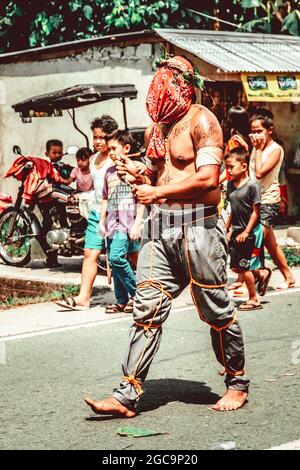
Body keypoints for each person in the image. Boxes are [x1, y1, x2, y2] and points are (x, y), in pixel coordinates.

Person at [84, 55, 249, 416]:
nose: (160, 87)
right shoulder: (154, 129)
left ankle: (236, 382)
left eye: (168, 79)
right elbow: (164, 177)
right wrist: (141, 173)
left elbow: (208, 181)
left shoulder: (203, 121)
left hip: (199, 228)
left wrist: (157, 193)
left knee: (216, 309)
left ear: (185, 84)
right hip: (161, 230)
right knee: (146, 309)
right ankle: (127, 395)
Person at [55, 115, 118, 310]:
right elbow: (93, 186)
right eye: (95, 137)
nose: (98, 141)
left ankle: (141, 292)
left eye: (103, 137)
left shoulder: (116, 158)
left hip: (116, 215)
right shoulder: (93, 159)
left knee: (125, 257)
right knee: (89, 253)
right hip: (96, 213)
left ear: (112, 136)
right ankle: (83, 298)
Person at [249, 110, 295, 291]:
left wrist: (258, 150)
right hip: (254, 201)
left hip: (268, 201)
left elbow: (260, 173)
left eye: (259, 130)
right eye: (253, 131)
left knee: (253, 241)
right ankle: (288, 276)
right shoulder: (256, 147)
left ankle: (253, 279)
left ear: (269, 130)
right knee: (271, 244)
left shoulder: (275, 150)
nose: (255, 135)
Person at [101, 130, 144, 314]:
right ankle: (121, 300)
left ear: (126, 148)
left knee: (116, 258)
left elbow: (142, 198)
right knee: (117, 261)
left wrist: (137, 223)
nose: (110, 152)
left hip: (127, 223)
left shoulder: (136, 169)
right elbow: (105, 198)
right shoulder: (108, 172)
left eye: (114, 148)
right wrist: (101, 221)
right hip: (111, 223)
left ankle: (138, 293)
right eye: (108, 148)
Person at [225, 147, 272, 311]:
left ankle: (253, 299)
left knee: (245, 267)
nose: (229, 170)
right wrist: (227, 227)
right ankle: (262, 274)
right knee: (236, 267)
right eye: (227, 166)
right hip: (236, 231)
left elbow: (255, 212)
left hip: (250, 232)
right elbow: (231, 208)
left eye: (231, 166)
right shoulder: (230, 185)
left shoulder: (253, 186)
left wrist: (246, 232)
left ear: (244, 166)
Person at [219, 106, 251, 294]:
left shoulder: (234, 141)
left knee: (231, 230)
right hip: (244, 189)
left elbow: (231, 167)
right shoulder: (245, 139)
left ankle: (246, 274)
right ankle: (242, 276)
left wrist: (215, 181)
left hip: (235, 191)